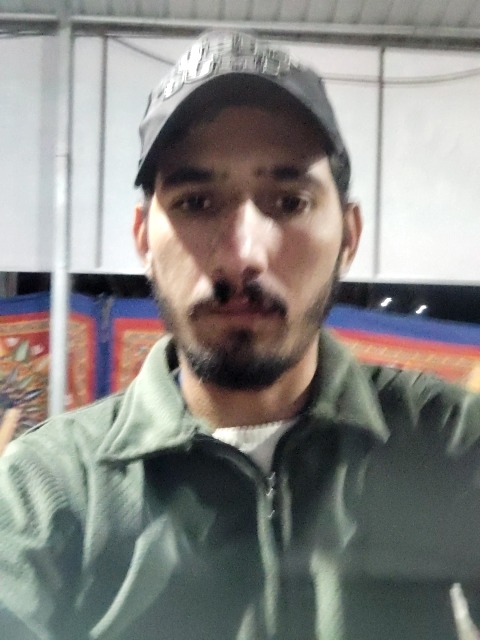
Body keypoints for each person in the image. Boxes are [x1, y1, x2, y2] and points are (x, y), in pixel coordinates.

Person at [1, 30, 480, 640]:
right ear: (144, 238)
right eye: (197, 202)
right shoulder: (49, 491)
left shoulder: (450, 443)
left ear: (349, 237)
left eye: (289, 202)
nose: (242, 254)